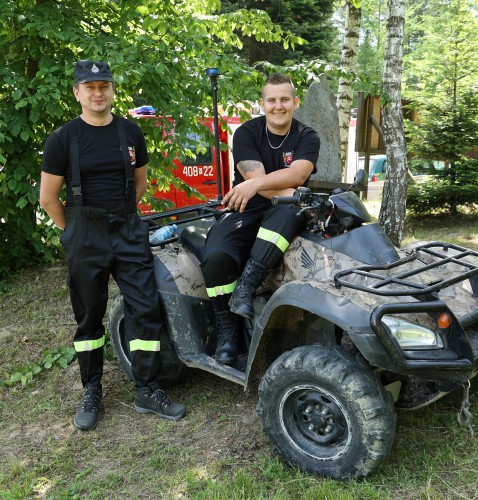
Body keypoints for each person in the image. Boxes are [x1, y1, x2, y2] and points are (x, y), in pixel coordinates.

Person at [39, 60, 186, 431]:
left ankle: (147, 389)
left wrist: (121, 216)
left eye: (104, 85)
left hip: (127, 227)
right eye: (90, 87)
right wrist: (74, 231)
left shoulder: (130, 132)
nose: (98, 92)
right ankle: (92, 391)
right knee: (89, 315)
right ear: (77, 93)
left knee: (145, 308)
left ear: (113, 91)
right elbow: (48, 198)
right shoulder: (62, 139)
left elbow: (140, 183)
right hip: (84, 231)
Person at [200, 73, 320, 365]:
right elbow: (261, 178)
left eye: (284, 99)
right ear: (262, 104)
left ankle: (247, 287)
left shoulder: (308, 136)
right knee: (215, 255)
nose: (278, 106)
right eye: (272, 100)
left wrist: (256, 183)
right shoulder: (245, 133)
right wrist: (260, 185)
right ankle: (228, 328)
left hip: (287, 210)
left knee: (292, 205)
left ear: (295, 102)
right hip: (245, 207)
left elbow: (298, 174)